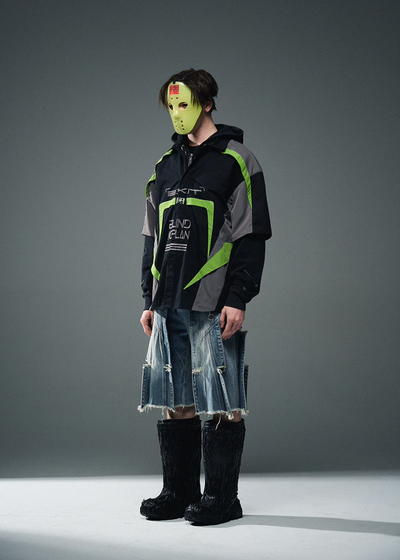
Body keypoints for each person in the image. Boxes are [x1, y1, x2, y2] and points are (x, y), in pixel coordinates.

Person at [138, 69, 271, 526]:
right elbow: (152, 236)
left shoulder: (237, 160)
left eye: (185, 104)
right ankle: (179, 492)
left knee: (222, 395)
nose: (177, 114)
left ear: (207, 103)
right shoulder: (164, 167)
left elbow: (252, 233)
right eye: (171, 106)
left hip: (214, 300)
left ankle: (222, 498)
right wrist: (148, 298)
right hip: (168, 300)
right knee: (175, 394)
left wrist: (239, 295)